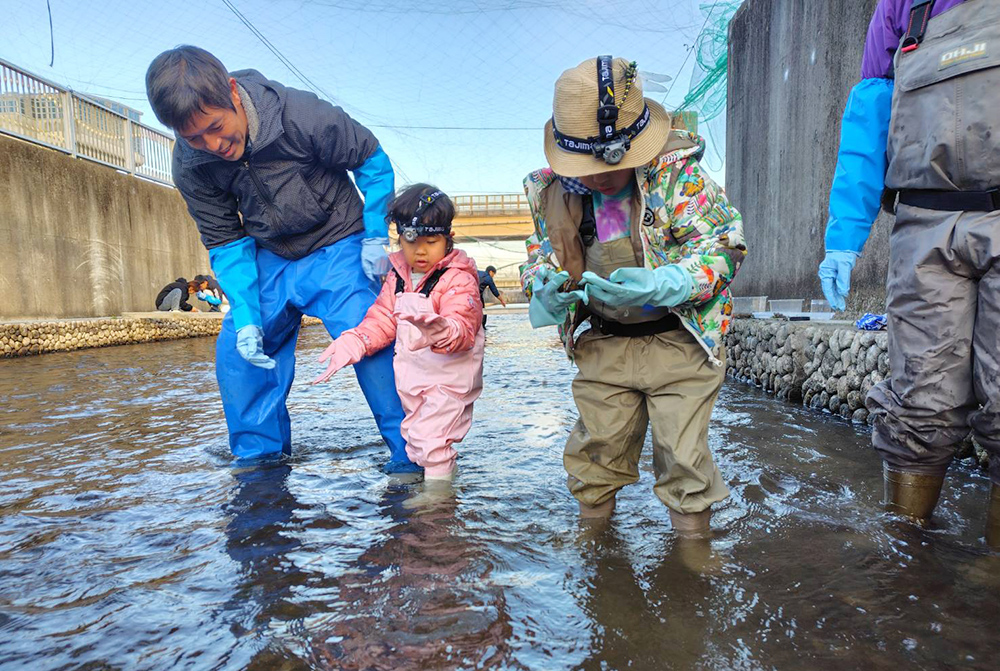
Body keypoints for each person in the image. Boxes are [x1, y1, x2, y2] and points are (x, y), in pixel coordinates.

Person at [146, 46, 415, 471]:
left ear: (233, 93)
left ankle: (414, 456)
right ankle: (260, 468)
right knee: (240, 352)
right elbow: (225, 241)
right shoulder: (191, 164)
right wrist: (246, 313)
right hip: (268, 254)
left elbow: (371, 160)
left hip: (338, 242)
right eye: (194, 138)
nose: (213, 145)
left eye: (216, 127)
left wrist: (375, 234)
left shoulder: (300, 114)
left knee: (372, 339)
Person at [520, 56, 746, 535]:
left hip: (679, 341)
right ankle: (595, 554)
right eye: (584, 166)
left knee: (684, 460)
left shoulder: (677, 178)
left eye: (609, 164)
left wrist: (673, 281)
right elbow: (540, 256)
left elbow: (724, 245)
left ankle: (693, 560)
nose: (598, 177)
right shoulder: (553, 194)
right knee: (595, 458)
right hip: (603, 343)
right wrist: (542, 287)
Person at [818, 0, 1000, 545]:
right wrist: (844, 239)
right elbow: (869, 119)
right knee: (919, 401)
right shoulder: (900, 7)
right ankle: (902, 559)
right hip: (923, 225)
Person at [313, 185, 484, 485]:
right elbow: (382, 317)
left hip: (449, 382)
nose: (421, 251)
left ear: (448, 238)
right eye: (411, 242)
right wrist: (357, 340)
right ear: (399, 238)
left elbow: (463, 324)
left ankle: (436, 503)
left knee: (432, 443)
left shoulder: (458, 279)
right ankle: (443, 483)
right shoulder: (398, 277)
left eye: (431, 242)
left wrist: (444, 330)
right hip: (413, 379)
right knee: (416, 440)